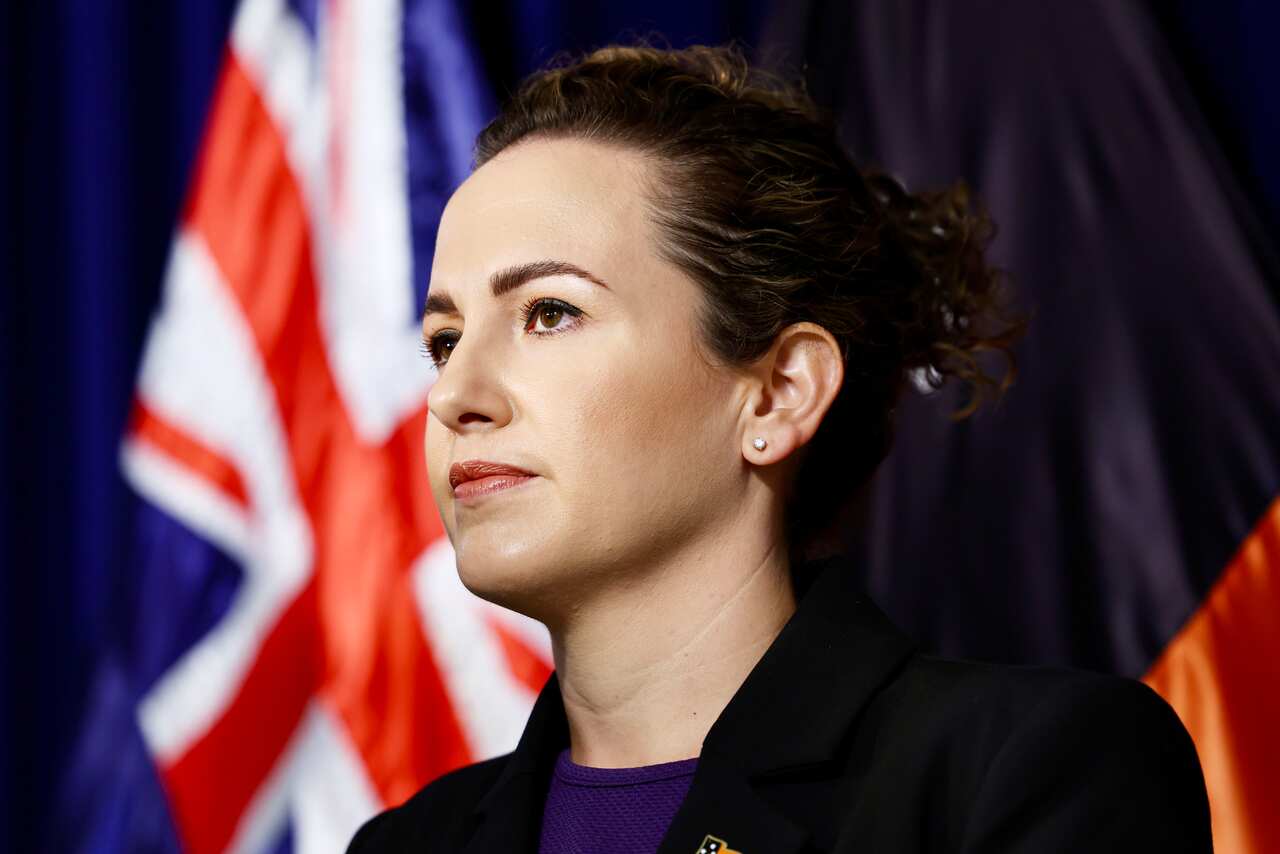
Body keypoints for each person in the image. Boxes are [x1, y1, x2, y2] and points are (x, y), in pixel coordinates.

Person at [348, 44, 1211, 853]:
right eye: (445, 340)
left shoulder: (1025, 774)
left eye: (551, 313)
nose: (453, 395)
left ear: (779, 392)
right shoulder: (405, 843)